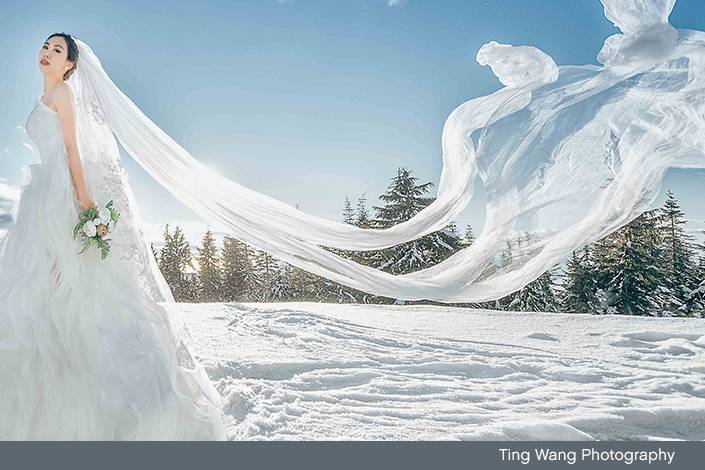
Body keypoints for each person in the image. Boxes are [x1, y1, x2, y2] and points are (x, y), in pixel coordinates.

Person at [0, 33, 228, 440]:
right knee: (37, 299)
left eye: (58, 50)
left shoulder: (65, 95)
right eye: (45, 46)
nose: (47, 53)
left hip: (60, 196)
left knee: (77, 296)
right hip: (40, 198)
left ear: (70, 64)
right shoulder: (47, 95)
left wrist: (85, 203)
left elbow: (72, 149)